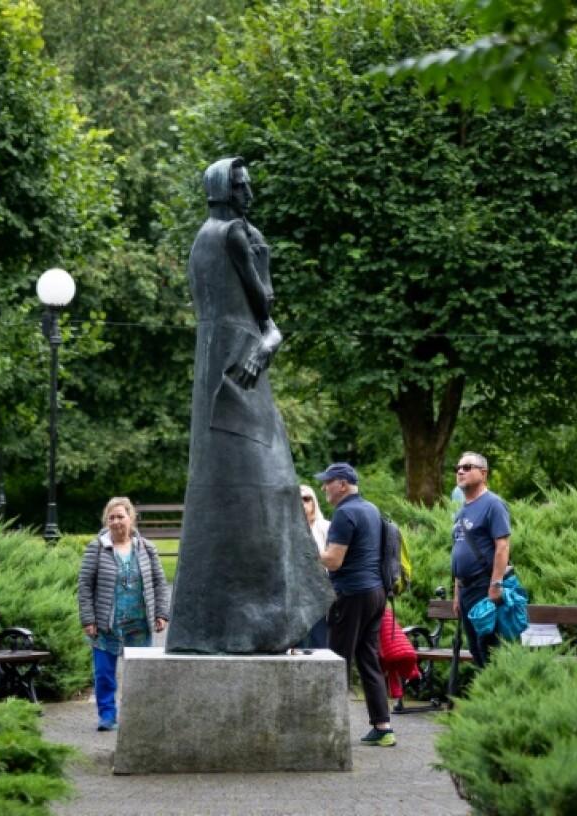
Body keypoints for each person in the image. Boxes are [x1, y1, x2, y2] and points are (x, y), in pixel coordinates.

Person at [165, 157, 333, 654]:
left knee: (253, 485)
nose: (249, 194)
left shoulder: (203, 236)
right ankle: (256, 621)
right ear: (223, 189)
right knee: (269, 485)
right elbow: (267, 309)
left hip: (221, 364)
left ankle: (226, 624)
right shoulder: (234, 234)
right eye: (242, 186)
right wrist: (264, 264)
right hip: (239, 365)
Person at [315, 462, 396, 747]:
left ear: (343, 484)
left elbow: (334, 560)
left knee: (338, 660)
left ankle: (328, 732)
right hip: (376, 593)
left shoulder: (345, 513)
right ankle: (383, 726)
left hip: (350, 594)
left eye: (328, 482)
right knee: (368, 657)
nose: (323, 487)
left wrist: (308, 552)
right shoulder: (370, 509)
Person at [78, 497, 170, 731]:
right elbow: (85, 585)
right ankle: (107, 716)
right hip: (106, 623)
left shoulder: (146, 548)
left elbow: (160, 582)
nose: (117, 522)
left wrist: (162, 612)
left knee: (139, 673)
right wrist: (88, 619)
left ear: (131, 518)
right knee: (105, 674)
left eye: (121, 516)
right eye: (112, 517)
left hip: (139, 622)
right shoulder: (96, 548)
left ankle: (137, 716)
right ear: (106, 521)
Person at [451, 451, 512, 668]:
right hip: (467, 589)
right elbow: (459, 550)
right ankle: (485, 697)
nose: (460, 471)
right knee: (476, 650)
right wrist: (457, 593)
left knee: (489, 648)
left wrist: (496, 584)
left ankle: (499, 698)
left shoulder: (493, 504)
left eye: (467, 467)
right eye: (458, 468)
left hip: (484, 587)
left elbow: (503, 545)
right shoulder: (462, 511)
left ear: (483, 474)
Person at [299, 484, 331, 649]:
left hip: (319, 593)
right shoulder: (285, 530)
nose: (302, 503)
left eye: (306, 498)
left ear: (313, 502)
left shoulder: (325, 527)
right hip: (295, 595)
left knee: (319, 642)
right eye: (298, 499)